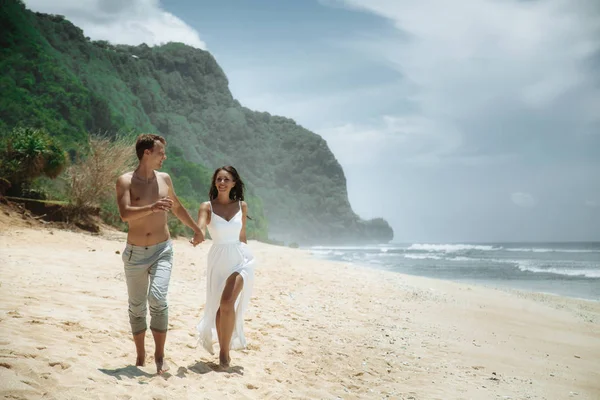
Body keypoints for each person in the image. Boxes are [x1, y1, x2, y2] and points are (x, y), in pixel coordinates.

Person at [115, 133, 204, 374]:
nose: (164, 156)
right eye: (160, 152)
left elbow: (176, 206)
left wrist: (196, 229)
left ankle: (160, 355)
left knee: (158, 298)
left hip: (162, 249)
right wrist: (152, 207)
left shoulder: (165, 179)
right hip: (135, 253)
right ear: (147, 153)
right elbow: (125, 214)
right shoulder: (125, 181)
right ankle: (140, 353)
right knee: (136, 306)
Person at [196, 165, 256, 368]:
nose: (222, 183)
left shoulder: (242, 206)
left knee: (228, 302)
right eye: (219, 179)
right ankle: (223, 348)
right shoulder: (207, 206)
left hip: (240, 259)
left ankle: (224, 353)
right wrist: (198, 233)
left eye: (226, 179)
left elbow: (242, 235)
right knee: (220, 308)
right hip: (218, 259)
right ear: (215, 182)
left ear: (234, 183)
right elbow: (201, 226)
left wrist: (248, 256)